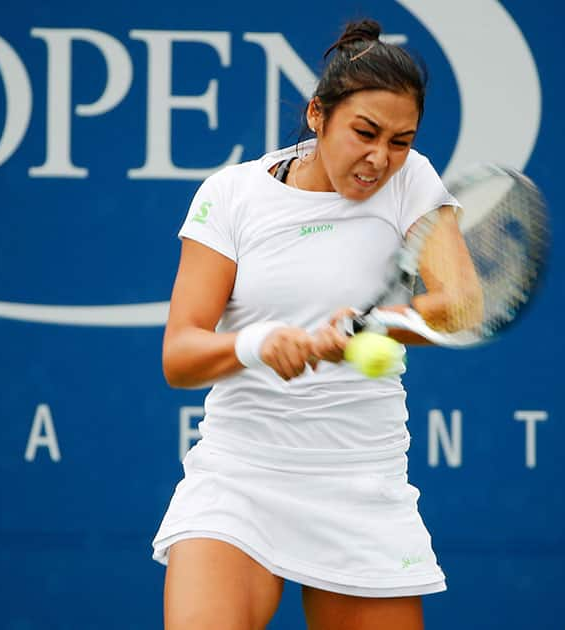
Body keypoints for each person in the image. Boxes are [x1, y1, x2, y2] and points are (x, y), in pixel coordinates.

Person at [153, 18, 469, 630]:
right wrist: (257, 343)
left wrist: (364, 327)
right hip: (239, 478)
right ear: (317, 114)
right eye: (365, 133)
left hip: (360, 479)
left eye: (400, 140)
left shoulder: (412, 181)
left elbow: (460, 303)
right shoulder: (232, 195)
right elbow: (180, 355)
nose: (381, 158)